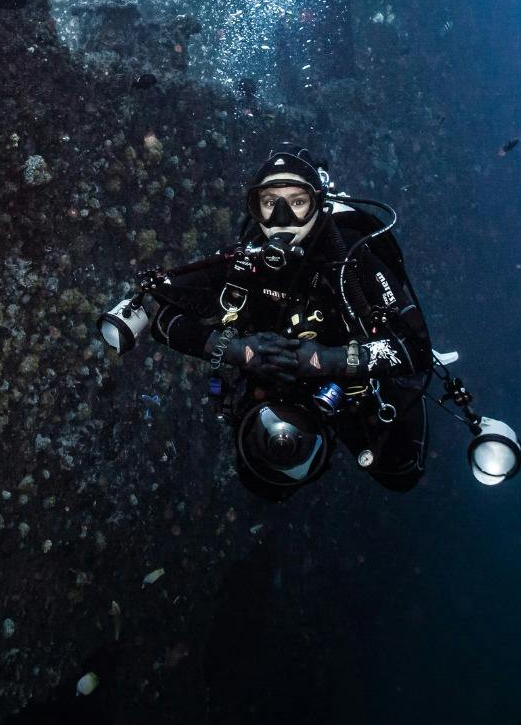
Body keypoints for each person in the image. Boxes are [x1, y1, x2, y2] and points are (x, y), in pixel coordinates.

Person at [144, 144, 434, 501]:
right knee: (262, 477)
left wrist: (326, 361)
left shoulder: (353, 260)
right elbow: (163, 317)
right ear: (256, 209)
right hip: (269, 383)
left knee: (401, 474)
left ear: (318, 205)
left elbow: (416, 350)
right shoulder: (245, 261)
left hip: (349, 389)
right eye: (269, 203)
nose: (282, 218)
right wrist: (234, 350)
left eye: (297, 203)